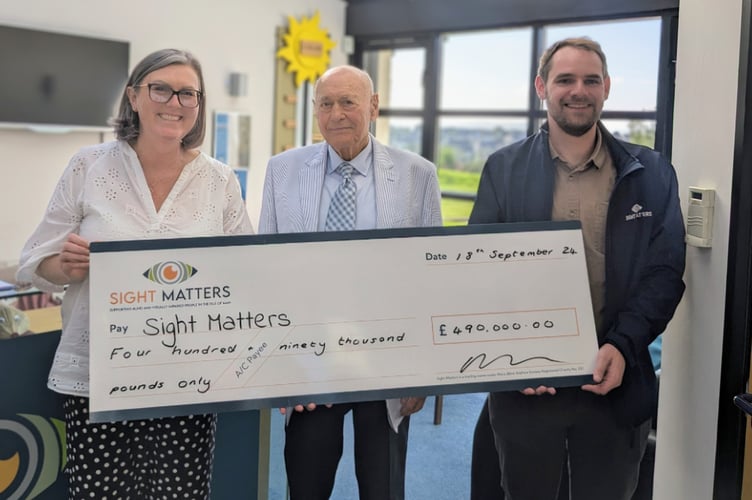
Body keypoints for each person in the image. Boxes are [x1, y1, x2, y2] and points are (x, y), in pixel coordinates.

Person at [16, 48, 253, 499]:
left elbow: (246, 272)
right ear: (134, 97)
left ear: (199, 105)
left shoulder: (220, 181)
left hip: (187, 378)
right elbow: (34, 262)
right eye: (160, 88)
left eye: (188, 93)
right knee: (99, 492)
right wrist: (63, 266)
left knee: (181, 493)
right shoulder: (89, 166)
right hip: (98, 378)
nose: (174, 102)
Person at [468, 37, 686, 499]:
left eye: (590, 80)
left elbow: (665, 274)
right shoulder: (502, 169)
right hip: (527, 385)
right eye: (565, 79)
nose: (578, 90)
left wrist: (623, 346)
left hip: (615, 381)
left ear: (606, 87)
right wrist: (515, 354)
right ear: (541, 87)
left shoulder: (651, 172)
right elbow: (480, 274)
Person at [258, 64, 442, 499]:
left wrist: (426, 373)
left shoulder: (418, 174)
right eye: (326, 103)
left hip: (390, 358)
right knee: (307, 483)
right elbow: (264, 270)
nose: (337, 113)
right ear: (315, 111)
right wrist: (277, 368)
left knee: (382, 487)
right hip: (310, 359)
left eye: (348, 102)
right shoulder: (282, 171)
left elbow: (432, 276)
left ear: (373, 106)